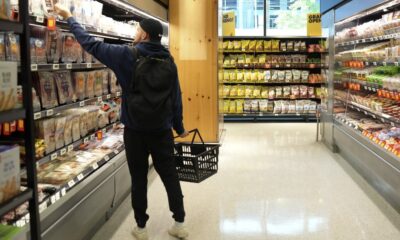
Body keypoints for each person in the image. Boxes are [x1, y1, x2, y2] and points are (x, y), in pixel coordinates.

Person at [54, 4, 189, 240]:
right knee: (170, 175)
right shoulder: (170, 61)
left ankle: (141, 228)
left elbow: (91, 44)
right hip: (162, 131)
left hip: (135, 131)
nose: (135, 33)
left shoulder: (127, 55)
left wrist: (71, 18)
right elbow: (175, 97)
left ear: (144, 34)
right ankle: (179, 223)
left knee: (138, 179)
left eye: (137, 29)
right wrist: (179, 126)